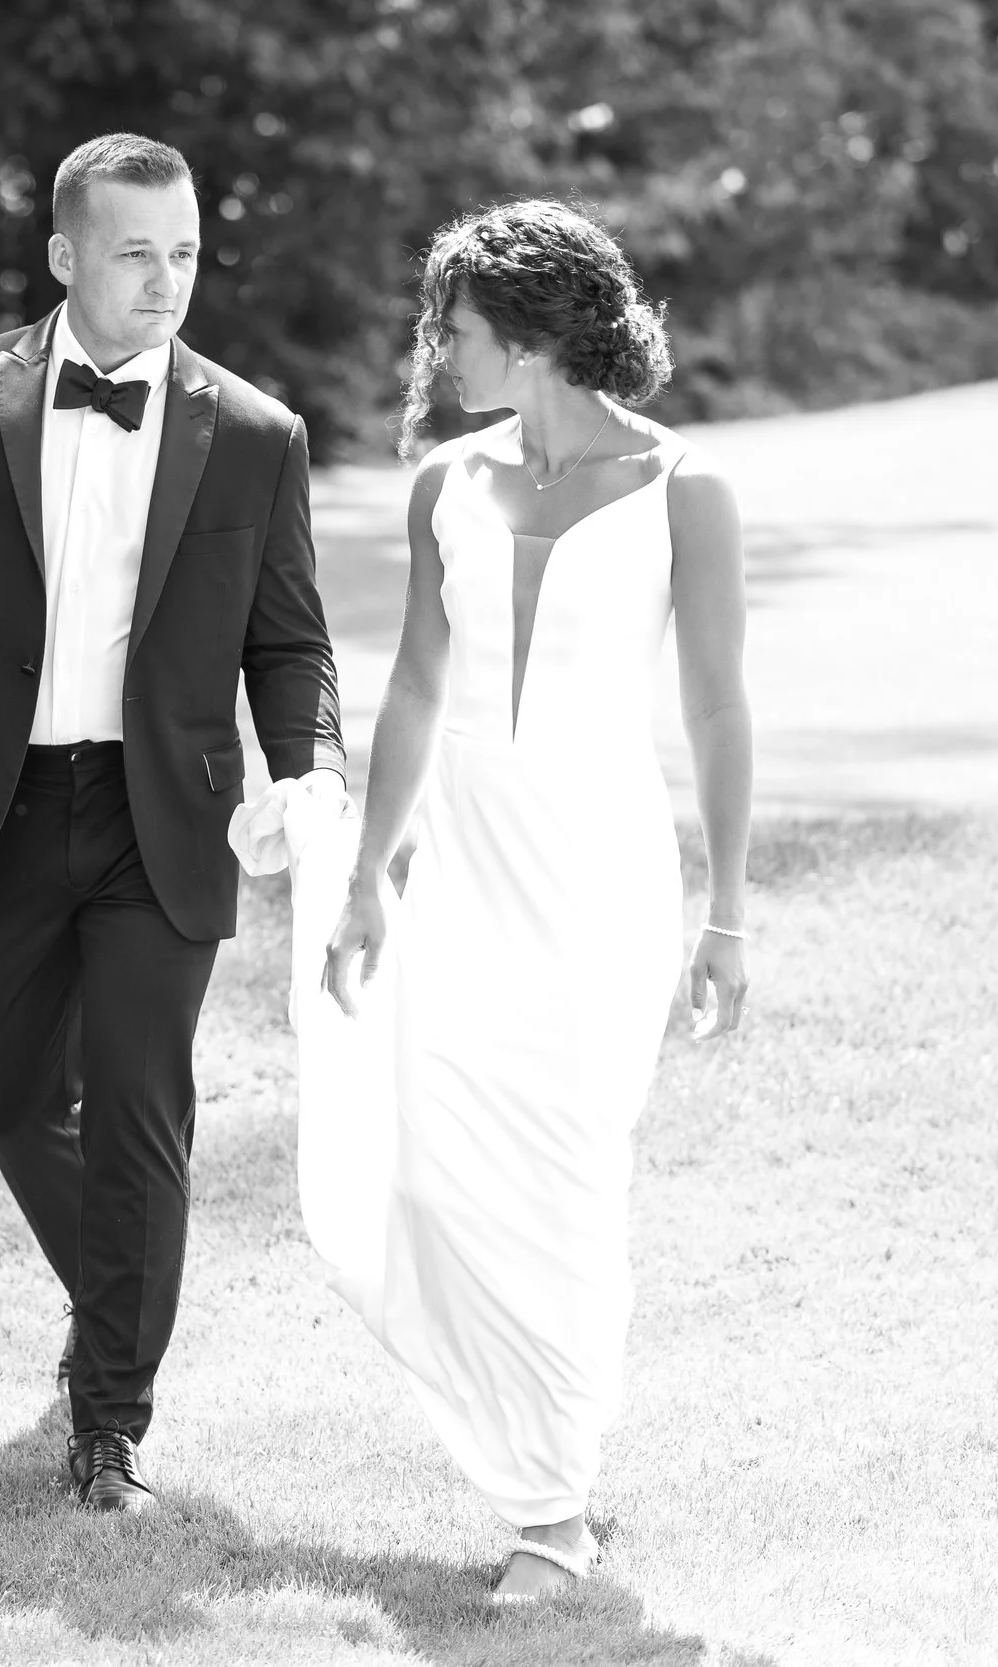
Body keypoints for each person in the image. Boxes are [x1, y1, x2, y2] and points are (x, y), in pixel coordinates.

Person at [0, 132, 344, 1513]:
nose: (167, 279)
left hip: (161, 818)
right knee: (9, 1086)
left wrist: (303, 771)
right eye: (138, 252)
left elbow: (293, 647)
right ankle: (117, 1294)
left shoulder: (255, 434)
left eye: (185, 251)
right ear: (66, 255)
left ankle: (110, 1419)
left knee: (141, 1106)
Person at [317, 199, 753, 1602]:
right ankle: (540, 1467)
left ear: (528, 331)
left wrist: (728, 909)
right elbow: (414, 686)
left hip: (597, 872)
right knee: (433, 1172)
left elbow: (717, 705)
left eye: (452, 322)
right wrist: (375, 869)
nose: (435, 347)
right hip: (460, 862)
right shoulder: (446, 480)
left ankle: (552, 1516)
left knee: (566, 1176)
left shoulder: (687, 488)